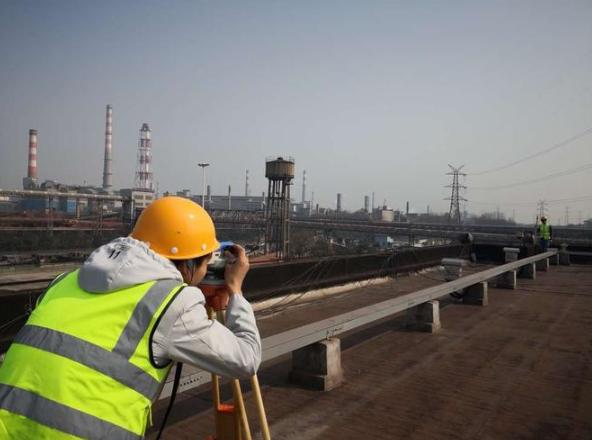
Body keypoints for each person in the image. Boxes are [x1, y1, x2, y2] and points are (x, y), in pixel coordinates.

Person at [0, 196, 261, 439]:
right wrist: (235, 290)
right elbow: (246, 359)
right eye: (206, 263)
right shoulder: (172, 303)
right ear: (189, 264)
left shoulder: (65, 281)